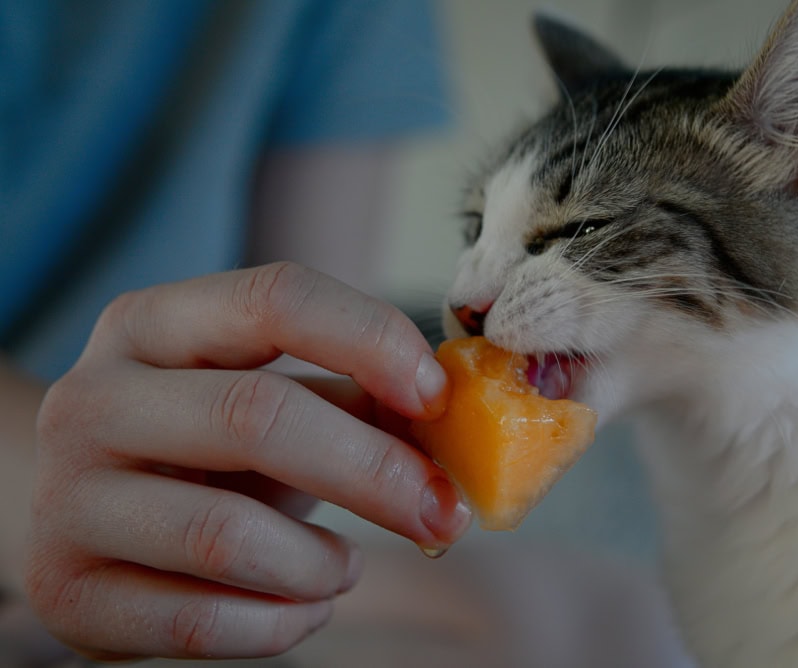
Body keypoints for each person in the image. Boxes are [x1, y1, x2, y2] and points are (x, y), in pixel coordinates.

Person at [0, 0, 472, 662]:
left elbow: (309, 353)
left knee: (570, 610)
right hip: (57, 506)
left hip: (133, 510)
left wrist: (222, 524)